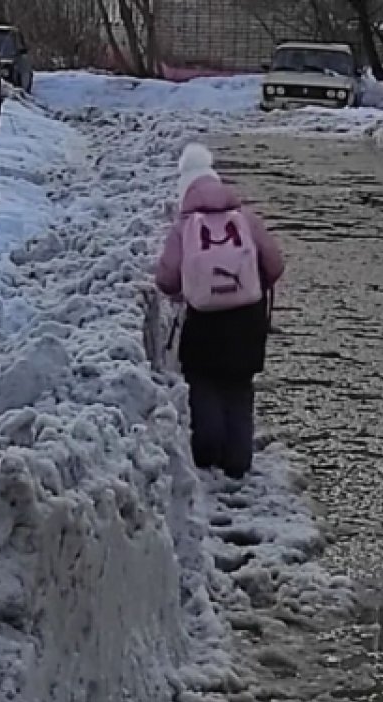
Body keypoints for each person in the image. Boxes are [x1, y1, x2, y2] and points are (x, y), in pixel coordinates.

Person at [156, 143, 284, 479]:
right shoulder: (246, 219)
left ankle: (207, 454)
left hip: (204, 321)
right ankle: (239, 462)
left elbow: (166, 280)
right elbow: (275, 264)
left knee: (204, 381)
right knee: (239, 386)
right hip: (247, 320)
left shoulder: (184, 226)